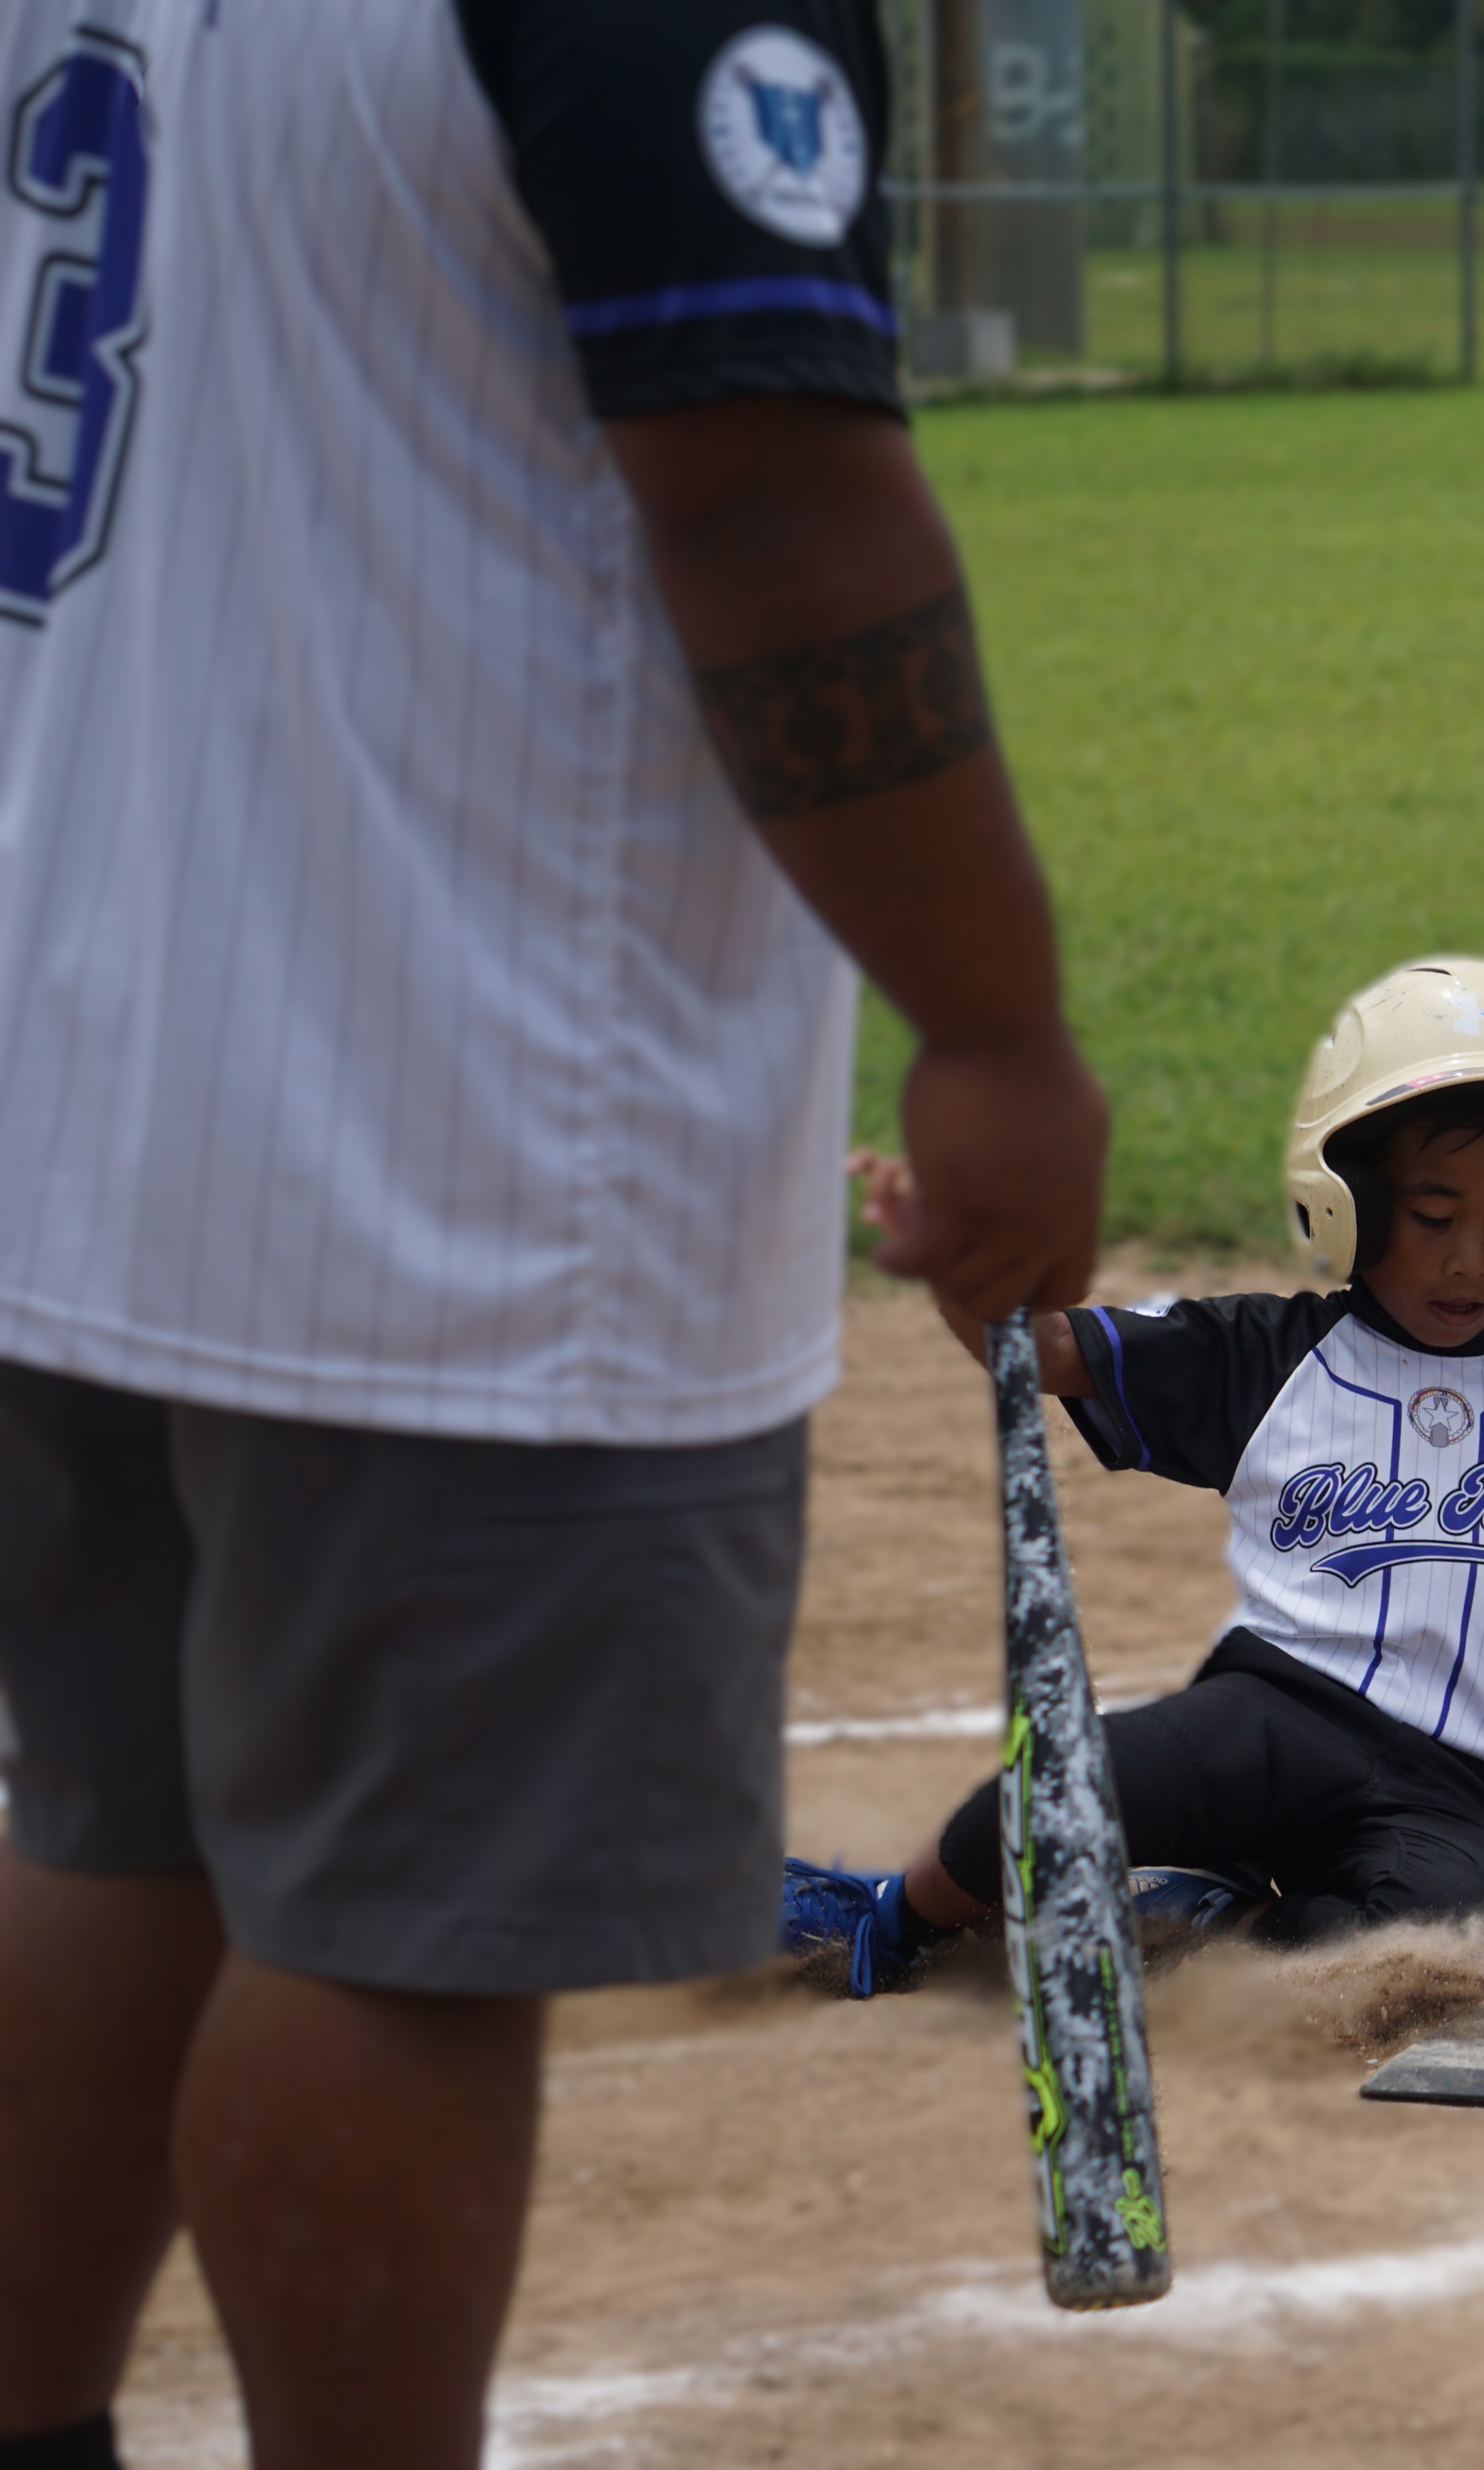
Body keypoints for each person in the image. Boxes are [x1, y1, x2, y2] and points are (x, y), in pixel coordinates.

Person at [0, 6, 1105, 2466]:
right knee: (396, 1927)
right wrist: (996, 1024)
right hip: (458, 1120)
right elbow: (769, 512)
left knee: (114, 1825)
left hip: (82, 1049)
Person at [779, 959, 1484, 1998]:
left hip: (1442, 1784)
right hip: (1271, 1719)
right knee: (1059, 1781)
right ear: (1353, 1200)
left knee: (1447, 1959)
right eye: (1433, 1217)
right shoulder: (1270, 1352)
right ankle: (888, 1922)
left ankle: (1206, 1912)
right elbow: (1040, 1348)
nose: (1472, 1256)